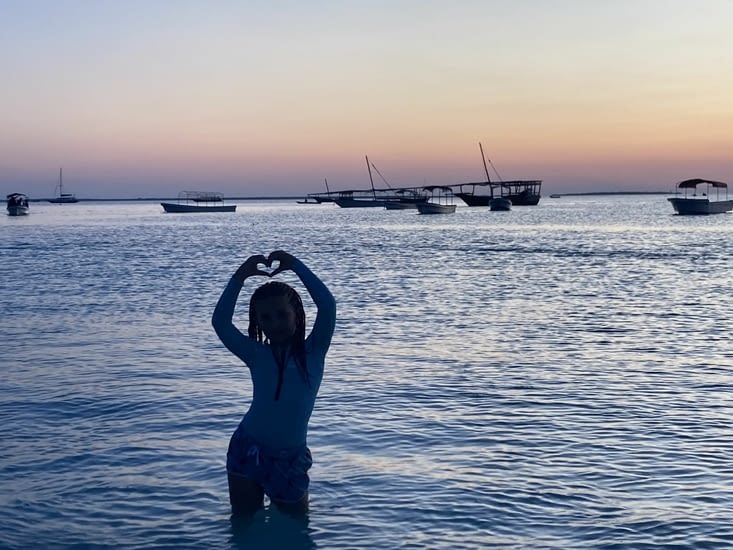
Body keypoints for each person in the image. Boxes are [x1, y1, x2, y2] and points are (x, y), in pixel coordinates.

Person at [212, 250, 336, 515]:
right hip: (247, 448)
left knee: (296, 534)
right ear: (258, 323)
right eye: (265, 318)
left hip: (290, 459)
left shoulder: (314, 352)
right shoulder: (256, 354)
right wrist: (240, 276)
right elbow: (220, 323)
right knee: (244, 527)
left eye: (281, 314)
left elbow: (327, 305)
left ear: (297, 315)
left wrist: (295, 266)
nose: (274, 323)